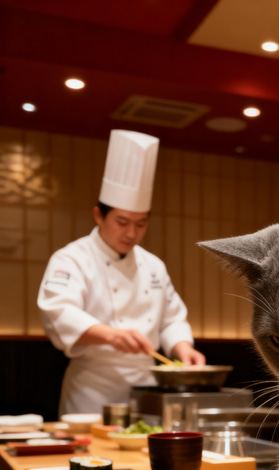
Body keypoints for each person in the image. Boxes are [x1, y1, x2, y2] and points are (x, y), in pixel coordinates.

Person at [38, 130, 205, 415]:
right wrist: (112, 336)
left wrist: (182, 348)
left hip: (147, 387)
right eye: (122, 221)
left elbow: (171, 318)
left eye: (141, 224)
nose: (131, 233)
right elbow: (59, 312)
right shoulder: (72, 258)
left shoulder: (152, 265)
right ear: (98, 215)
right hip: (93, 389)